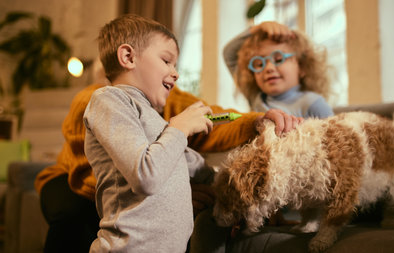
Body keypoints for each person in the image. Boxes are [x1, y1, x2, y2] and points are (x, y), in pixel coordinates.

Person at [35, 17, 301, 253]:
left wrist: (254, 124)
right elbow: (133, 176)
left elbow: (205, 130)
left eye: (175, 64)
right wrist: (179, 135)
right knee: (71, 217)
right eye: (166, 61)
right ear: (128, 58)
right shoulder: (102, 100)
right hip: (75, 187)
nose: (175, 72)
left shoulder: (160, 117)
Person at [223, 21, 334, 119]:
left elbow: (336, 136)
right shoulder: (256, 98)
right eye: (259, 63)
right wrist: (256, 29)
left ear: (302, 66)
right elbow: (229, 53)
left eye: (278, 59)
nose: (268, 68)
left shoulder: (313, 103)